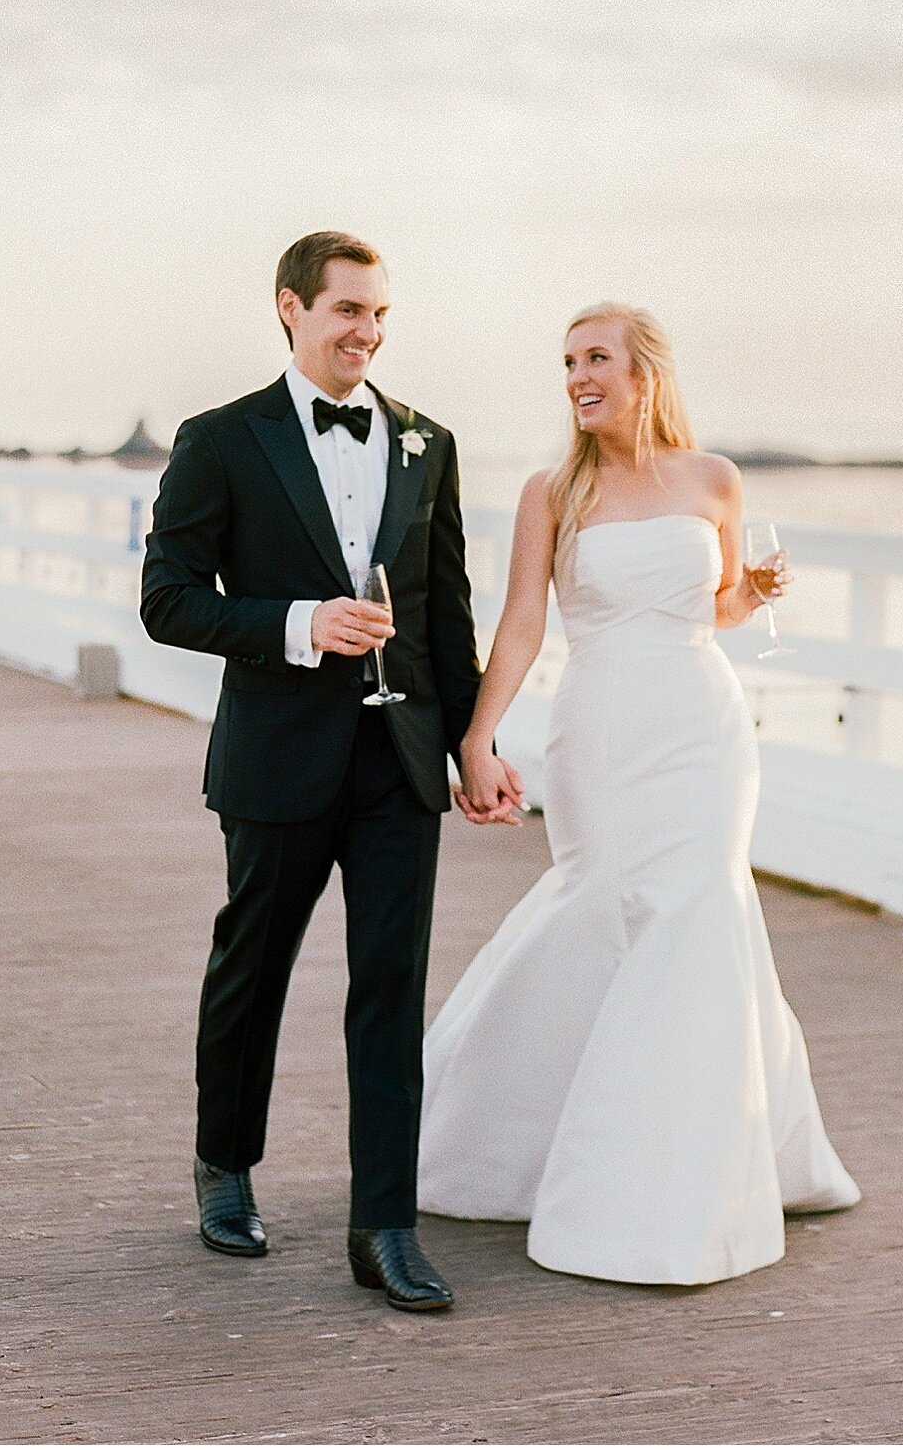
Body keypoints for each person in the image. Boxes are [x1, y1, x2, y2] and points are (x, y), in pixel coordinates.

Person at [417, 301, 860, 1284]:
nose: (578, 375)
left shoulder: (715, 478)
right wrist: (477, 736)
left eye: (597, 358)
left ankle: (684, 1181)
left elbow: (716, 610)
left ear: (644, 372)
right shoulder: (552, 491)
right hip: (602, 730)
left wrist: (756, 590)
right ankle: (515, 1132)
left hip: (704, 730)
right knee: (603, 906)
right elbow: (525, 621)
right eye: (568, 360)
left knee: (701, 911)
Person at [140, 230, 523, 1313]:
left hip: (400, 764)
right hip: (278, 758)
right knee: (251, 965)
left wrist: (472, 747)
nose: (368, 331)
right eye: (348, 309)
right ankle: (226, 1166)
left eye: (381, 314)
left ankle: (384, 1227)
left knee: (391, 993)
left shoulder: (426, 442)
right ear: (290, 309)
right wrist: (304, 623)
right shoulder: (220, 439)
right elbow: (168, 598)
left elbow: (447, 618)